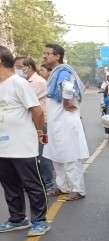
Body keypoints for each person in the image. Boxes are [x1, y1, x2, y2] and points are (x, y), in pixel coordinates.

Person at [0, 46, 50, 236]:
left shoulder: (18, 83)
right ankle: (17, 219)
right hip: (2, 147)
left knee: (32, 184)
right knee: (9, 185)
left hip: (22, 145)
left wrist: (38, 132)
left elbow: (36, 110)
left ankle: (40, 221)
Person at [41, 43, 89, 201]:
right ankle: (63, 187)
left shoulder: (62, 71)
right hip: (56, 122)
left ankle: (77, 189)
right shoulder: (55, 72)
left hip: (65, 122)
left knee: (70, 155)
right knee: (56, 155)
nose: (45, 56)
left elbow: (67, 87)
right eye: (45, 53)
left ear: (57, 56)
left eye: (48, 53)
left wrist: (67, 102)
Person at [17, 56, 55, 194]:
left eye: (20, 67)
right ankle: (40, 184)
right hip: (29, 122)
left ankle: (49, 184)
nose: (18, 70)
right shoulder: (25, 82)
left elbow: (24, 102)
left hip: (40, 122)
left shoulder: (37, 82)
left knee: (42, 154)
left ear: (29, 66)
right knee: (32, 154)